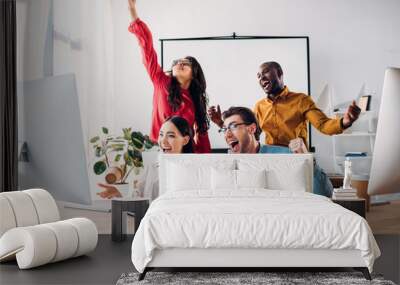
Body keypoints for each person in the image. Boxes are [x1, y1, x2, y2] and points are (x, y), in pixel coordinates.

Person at [209, 61, 361, 148]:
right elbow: (249, 132)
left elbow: (324, 125)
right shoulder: (259, 106)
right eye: (259, 76)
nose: (262, 77)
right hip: (271, 159)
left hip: (297, 158)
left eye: (266, 72)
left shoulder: (301, 100)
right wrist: (222, 123)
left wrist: (346, 122)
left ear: (280, 73)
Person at [127, 0, 210, 153]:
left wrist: (204, 160)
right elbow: (147, 48)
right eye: (177, 62)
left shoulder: (195, 100)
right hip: (159, 148)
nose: (180, 63)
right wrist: (132, 11)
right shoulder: (160, 81)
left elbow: (202, 135)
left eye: (186, 63)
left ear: (194, 74)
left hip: (185, 152)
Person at [219, 106, 333, 197]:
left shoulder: (286, 155)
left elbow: (324, 194)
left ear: (252, 129)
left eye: (233, 126)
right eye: (224, 129)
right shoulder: (225, 165)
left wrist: (309, 161)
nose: (227, 135)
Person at [97, 116, 195, 199]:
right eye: (161, 135)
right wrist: (118, 195)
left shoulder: (194, 171)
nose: (163, 141)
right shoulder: (152, 168)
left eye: (171, 136)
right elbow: (138, 199)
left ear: (185, 140)